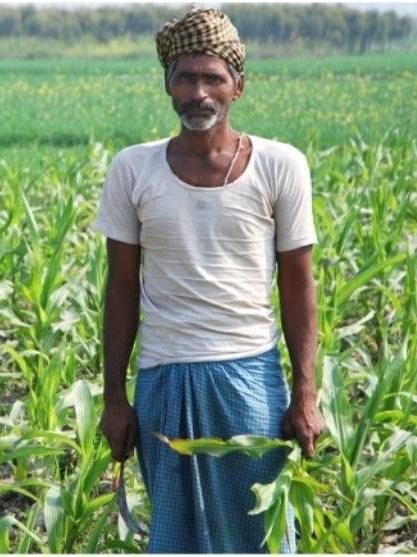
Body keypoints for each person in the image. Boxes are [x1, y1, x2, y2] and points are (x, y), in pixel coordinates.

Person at [91, 5, 326, 554]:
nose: (199, 92)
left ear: (237, 86)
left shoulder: (279, 165)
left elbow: (299, 285)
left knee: (258, 531)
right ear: (168, 86)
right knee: (175, 535)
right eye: (186, 77)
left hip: (249, 380)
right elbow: (122, 287)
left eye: (213, 78)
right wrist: (113, 398)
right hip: (163, 379)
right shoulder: (134, 168)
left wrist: (306, 392)